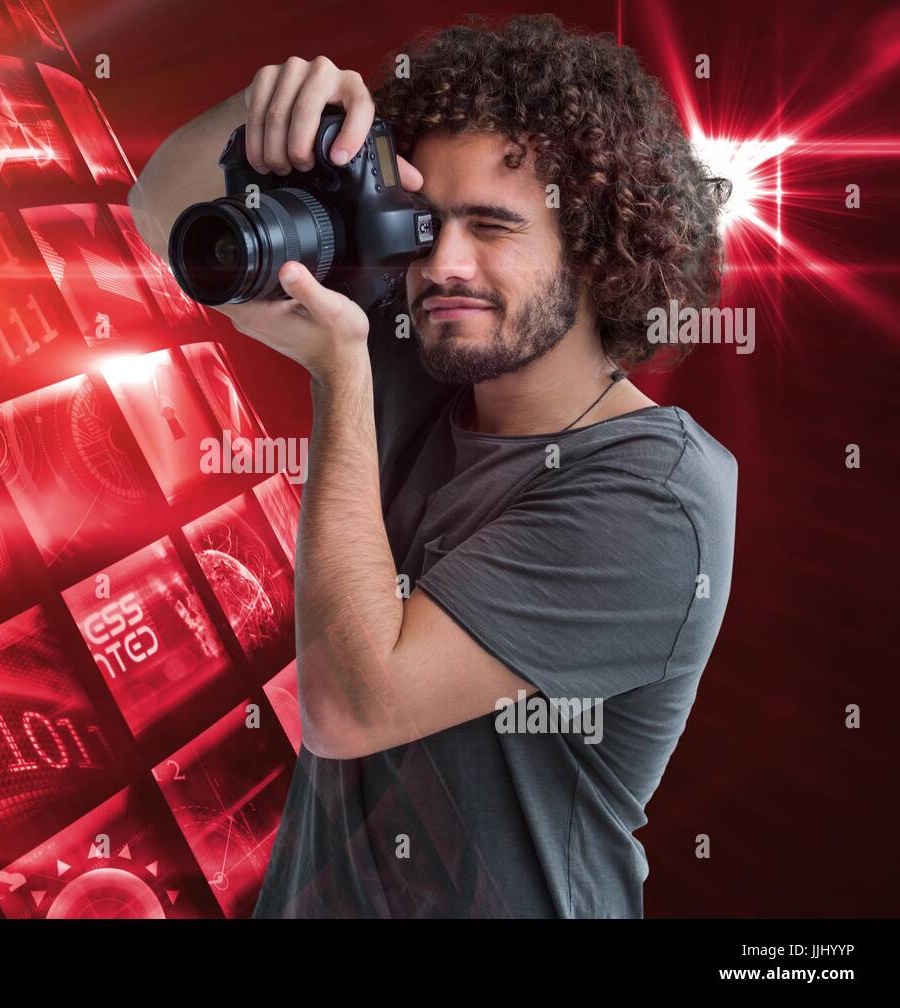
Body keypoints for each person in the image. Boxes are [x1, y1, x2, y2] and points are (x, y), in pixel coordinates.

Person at [128, 12, 738, 918]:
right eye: (428, 225)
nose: (443, 265)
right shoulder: (435, 352)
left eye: (493, 227)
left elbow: (351, 706)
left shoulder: (656, 491)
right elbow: (155, 209)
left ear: (599, 249)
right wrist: (291, 114)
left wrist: (339, 374)